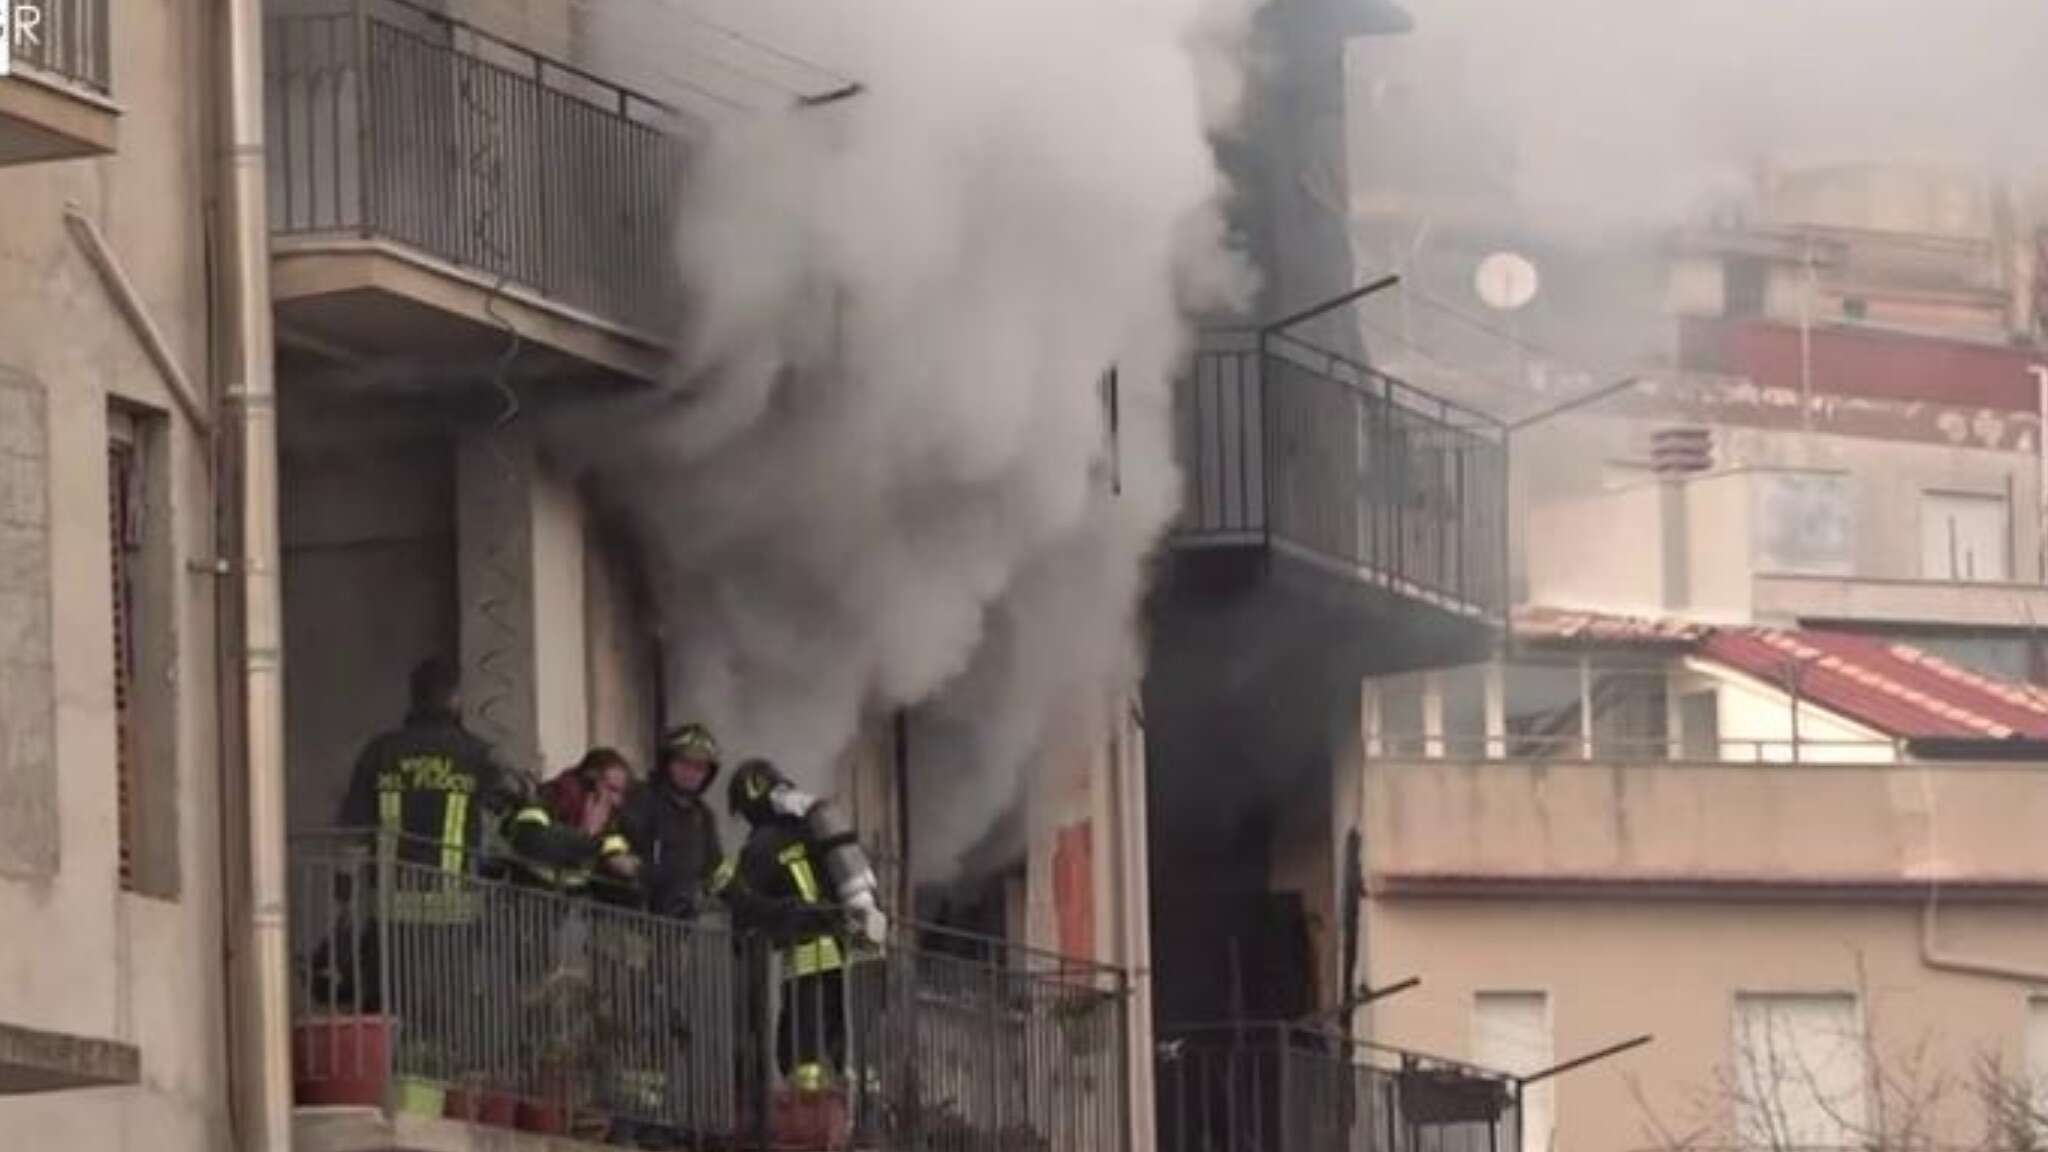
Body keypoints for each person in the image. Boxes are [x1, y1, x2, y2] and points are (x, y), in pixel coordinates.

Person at [714, 758, 887, 1094]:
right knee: (839, 1029)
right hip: (843, 945)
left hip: (803, 948)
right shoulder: (812, 831)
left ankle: (807, 1108)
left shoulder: (761, 846)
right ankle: (847, 1101)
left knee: (799, 1034)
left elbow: (745, 904)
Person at [622, 724, 725, 922]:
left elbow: (715, 869)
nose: (691, 773)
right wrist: (624, 862)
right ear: (667, 762)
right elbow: (616, 838)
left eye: (700, 767)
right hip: (633, 920)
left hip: (679, 930)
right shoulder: (643, 799)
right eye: (684, 763)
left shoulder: (703, 817)